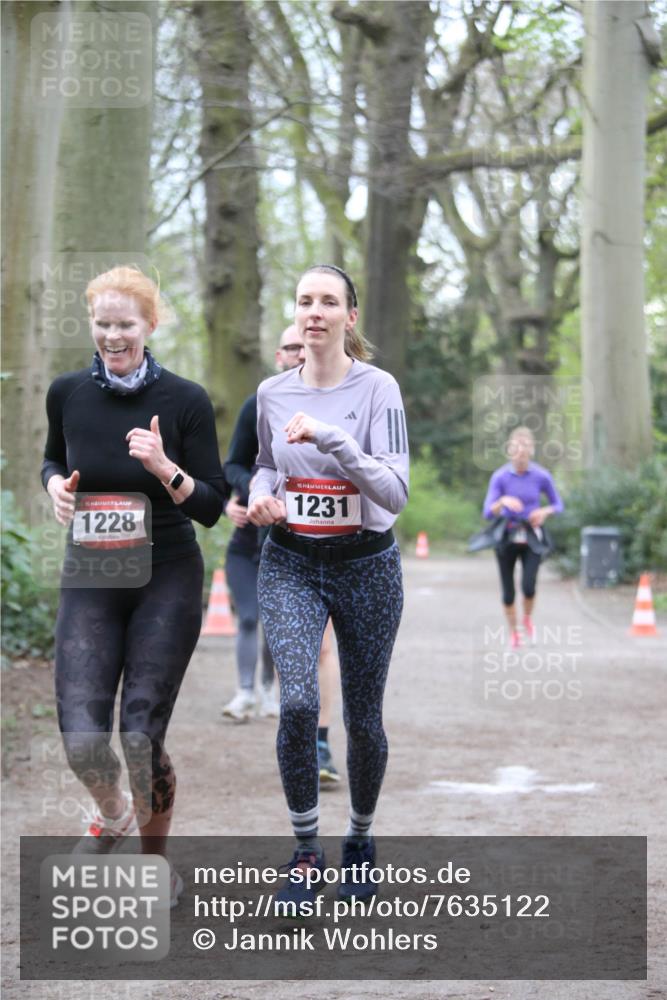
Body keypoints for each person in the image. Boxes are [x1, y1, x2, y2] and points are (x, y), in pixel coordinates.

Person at [42, 266, 225, 902]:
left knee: (142, 733)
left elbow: (210, 504)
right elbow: (53, 458)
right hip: (92, 572)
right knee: (81, 738)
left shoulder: (185, 400)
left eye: (126, 324)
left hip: (166, 573)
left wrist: (165, 468)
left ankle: (154, 862)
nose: (113, 335)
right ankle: (113, 812)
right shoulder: (67, 392)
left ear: (150, 324)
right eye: (103, 323)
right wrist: (53, 490)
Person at [247, 264, 409, 911]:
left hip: (367, 564)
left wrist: (334, 439)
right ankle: (306, 853)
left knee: (362, 719)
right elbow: (263, 466)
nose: (314, 311)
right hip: (289, 561)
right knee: (296, 703)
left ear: (350, 316)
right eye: (304, 301)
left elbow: (394, 492)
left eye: (327, 302)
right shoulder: (270, 393)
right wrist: (260, 498)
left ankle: (361, 841)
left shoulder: (378, 389)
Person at [222, 326, 343, 784]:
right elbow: (239, 464)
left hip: (328, 543)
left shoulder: (345, 394)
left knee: (323, 647)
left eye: (302, 346)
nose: (297, 354)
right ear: (279, 354)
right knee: (266, 627)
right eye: (290, 347)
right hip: (267, 543)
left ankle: (321, 746)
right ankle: (262, 703)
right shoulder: (262, 402)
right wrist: (245, 495)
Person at [482, 426, 564, 647]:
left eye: (525, 447)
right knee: (508, 592)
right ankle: (514, 632)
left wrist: (544, 512)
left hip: (531, 536)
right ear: (509, 450)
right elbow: (487, 511)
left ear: (532, 450)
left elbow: (558, 504)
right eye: (516, 448)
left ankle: (527, 619)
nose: (520, 452)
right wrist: (503, 502)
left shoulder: (541, 475)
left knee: (529, 587)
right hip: (507, 535)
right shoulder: (499, 477)